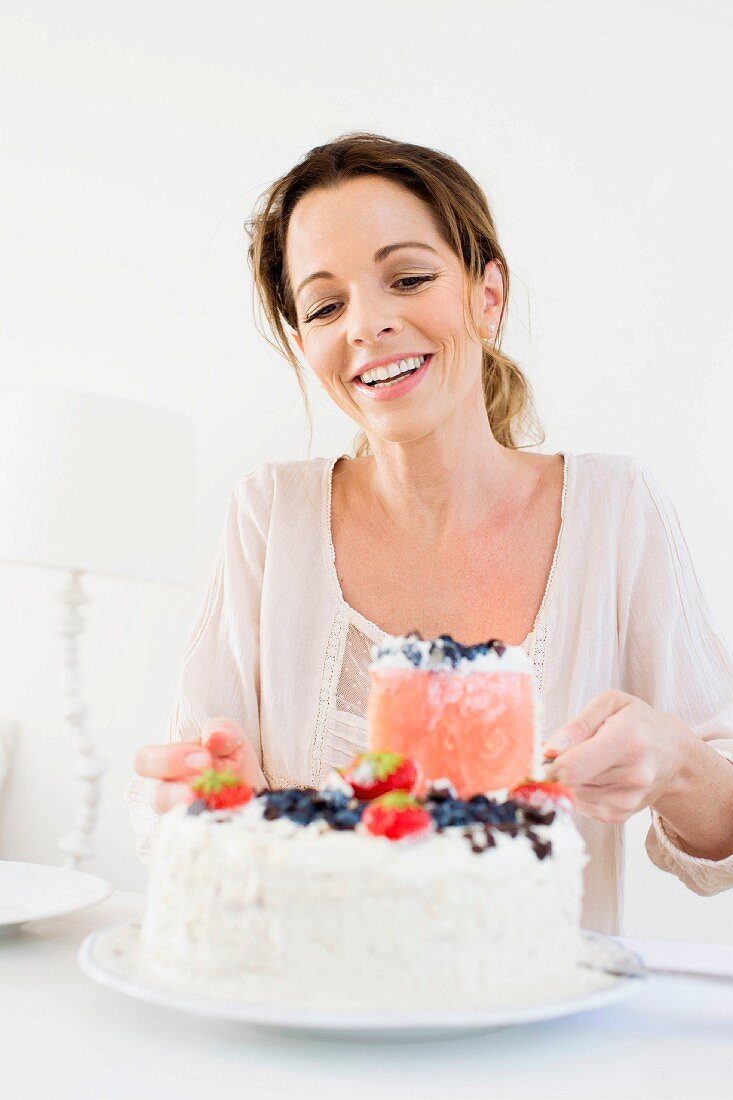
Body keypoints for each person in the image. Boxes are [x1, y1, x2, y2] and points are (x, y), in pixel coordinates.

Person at [128, 132, 733, 935]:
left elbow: (720, 840)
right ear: (302, 342)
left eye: (407, 278)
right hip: (307, 1033)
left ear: (487, 297)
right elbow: (176, 831)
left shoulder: (617, 510)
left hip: (541, 1047)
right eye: (324, 305)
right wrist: (205, 810)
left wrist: (676, 763)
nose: (367, 324)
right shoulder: (267, 518)